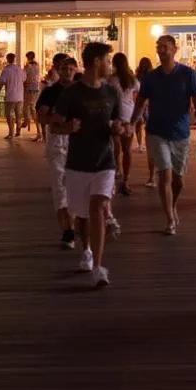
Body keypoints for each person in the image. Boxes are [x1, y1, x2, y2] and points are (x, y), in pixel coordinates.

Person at [51, 43, 124, 287]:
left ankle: (99, 267)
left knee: (98, 207)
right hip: (78, 163)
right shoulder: (72, 93)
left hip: (105, 161)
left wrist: (120, 128)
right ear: (96, 62)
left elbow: (119, 123)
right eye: (107, 60)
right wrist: (68, 128)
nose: (109, 64)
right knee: (81, 216)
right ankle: (87, 250)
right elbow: (54, 124)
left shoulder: (111, 92)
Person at [132, 34, 196, 235]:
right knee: (164, 175)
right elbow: (140, 101)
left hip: (181, 132)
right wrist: (133, 122)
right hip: (156, 131)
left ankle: (172, 204)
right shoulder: (151, 77)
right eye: (158, 47)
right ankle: (169, 219)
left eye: (165, 47)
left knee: (178, 180)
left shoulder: (188, 74)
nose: (161, 50)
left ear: (175, 49)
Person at [37, 53, 77, 248]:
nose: (67, 72)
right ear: (58, 70)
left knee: (76, 185)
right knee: (60, 188)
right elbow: (42, 117)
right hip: (57, 142)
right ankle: (67, 230)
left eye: (71, 69)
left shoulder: (81, 92)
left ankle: (74, 223)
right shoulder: (50, 92)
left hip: (77, 142)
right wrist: (58, 118)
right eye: (64, 69)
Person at [109, 52, 140, 197]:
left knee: (116, 147)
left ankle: (118, 171)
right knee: (127, 150)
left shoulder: (111, 80)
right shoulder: (133, 80)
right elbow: (136, 98)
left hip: (115, 115)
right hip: (129, 114)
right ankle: (126, 179)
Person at [0, 52, 25, 139]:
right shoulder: (20, 69)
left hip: (10, 96)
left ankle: (11, 133)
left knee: (9, 115)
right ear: (14, 59)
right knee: (18, 114)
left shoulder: (6, 70)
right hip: (20, 96)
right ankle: (18, 131)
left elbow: (2, 83)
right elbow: (24, 79)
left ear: (8, 59)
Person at [23, 51, 42, 139]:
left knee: (28, 107)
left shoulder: (27, 66)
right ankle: (37, 129)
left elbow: (25, 77)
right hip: (36, 87)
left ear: (28, 57)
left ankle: (27, 121)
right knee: (31, 107)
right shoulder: (38, 65)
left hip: (29, 88)